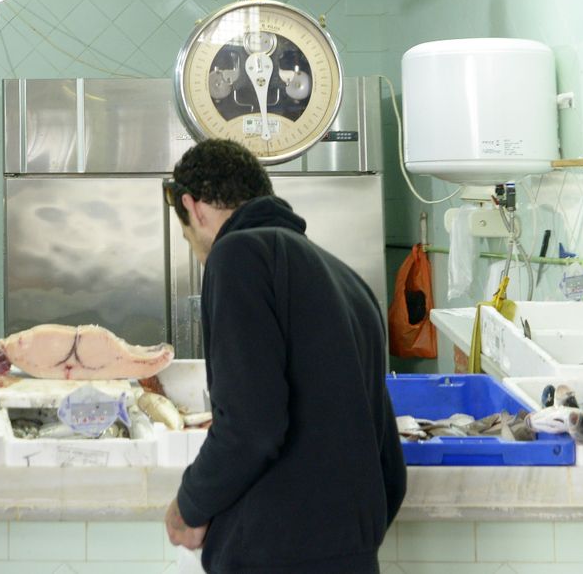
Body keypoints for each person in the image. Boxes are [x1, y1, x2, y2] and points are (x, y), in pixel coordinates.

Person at [162, 138, 405, 574]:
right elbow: (388, 461)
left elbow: (251, 427)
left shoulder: (236, 255)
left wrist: (189, 504)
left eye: (189, 239)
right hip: (354, 557)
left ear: (192, 207)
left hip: (273, 558)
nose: (200, 257)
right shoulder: (349, 281)